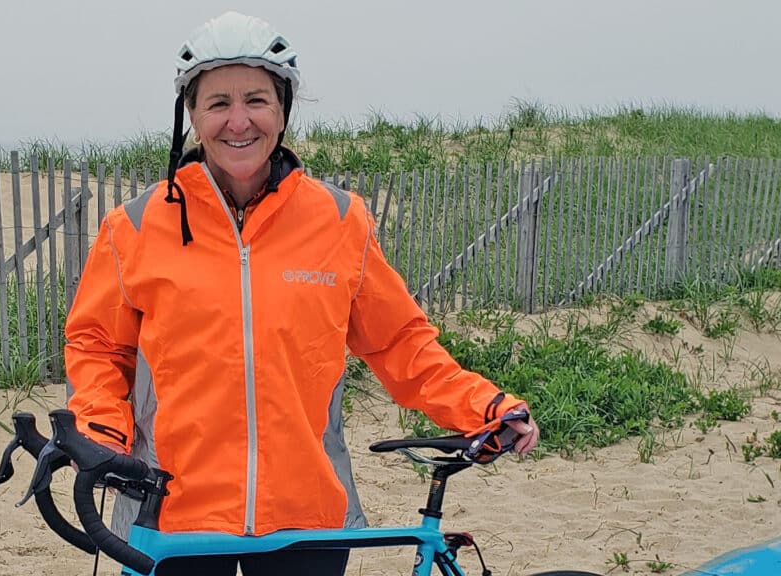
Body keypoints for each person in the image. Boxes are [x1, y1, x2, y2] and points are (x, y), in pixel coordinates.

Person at [64, 11, 539, 576]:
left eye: (256, 100)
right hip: (172, 513)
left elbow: (400, 343)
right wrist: (101, 434)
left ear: (283, 108)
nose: (238, 121)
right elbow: (97, 347)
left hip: (306, 517)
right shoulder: (136, 226)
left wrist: (482, 405)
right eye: (218, 103)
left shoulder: (339, 220)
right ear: (192, 115)